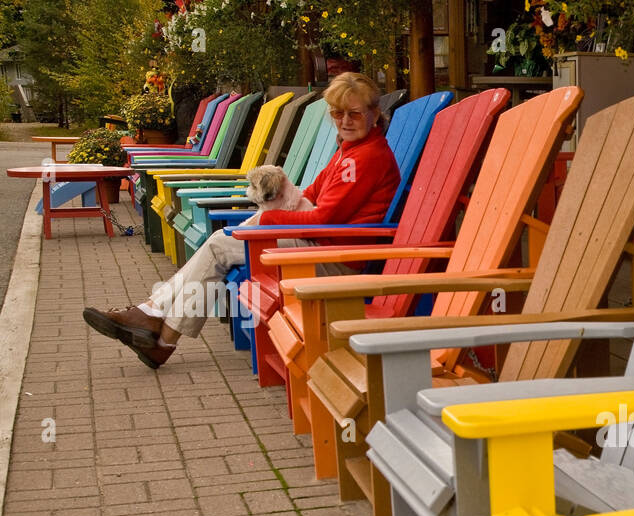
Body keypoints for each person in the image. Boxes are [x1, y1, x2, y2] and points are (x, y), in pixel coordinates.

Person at [83, 72, 400, 369]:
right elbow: (314, 193)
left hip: (334, 257)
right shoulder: (350, 150)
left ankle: (157, 327)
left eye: (354, 113)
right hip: (321, 244)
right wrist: (270, 209)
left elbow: (324, 216)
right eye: (337, 113)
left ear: (374, 113)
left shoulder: (365, 158)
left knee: (222, 246)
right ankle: (156, 326)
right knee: (227, 241)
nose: (345, 121)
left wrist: (269, 219)